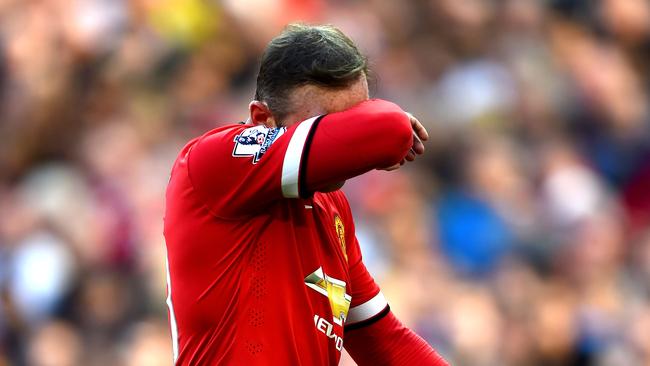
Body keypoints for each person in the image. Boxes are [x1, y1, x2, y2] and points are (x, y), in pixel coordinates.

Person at [163, 23, 449, 366]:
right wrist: (386, 125)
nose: (349, 137)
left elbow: (384, 341)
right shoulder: (215, 162)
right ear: (263, 119)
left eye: (358, 114)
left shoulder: (333, 208)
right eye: (330, 124)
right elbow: (388, 128)